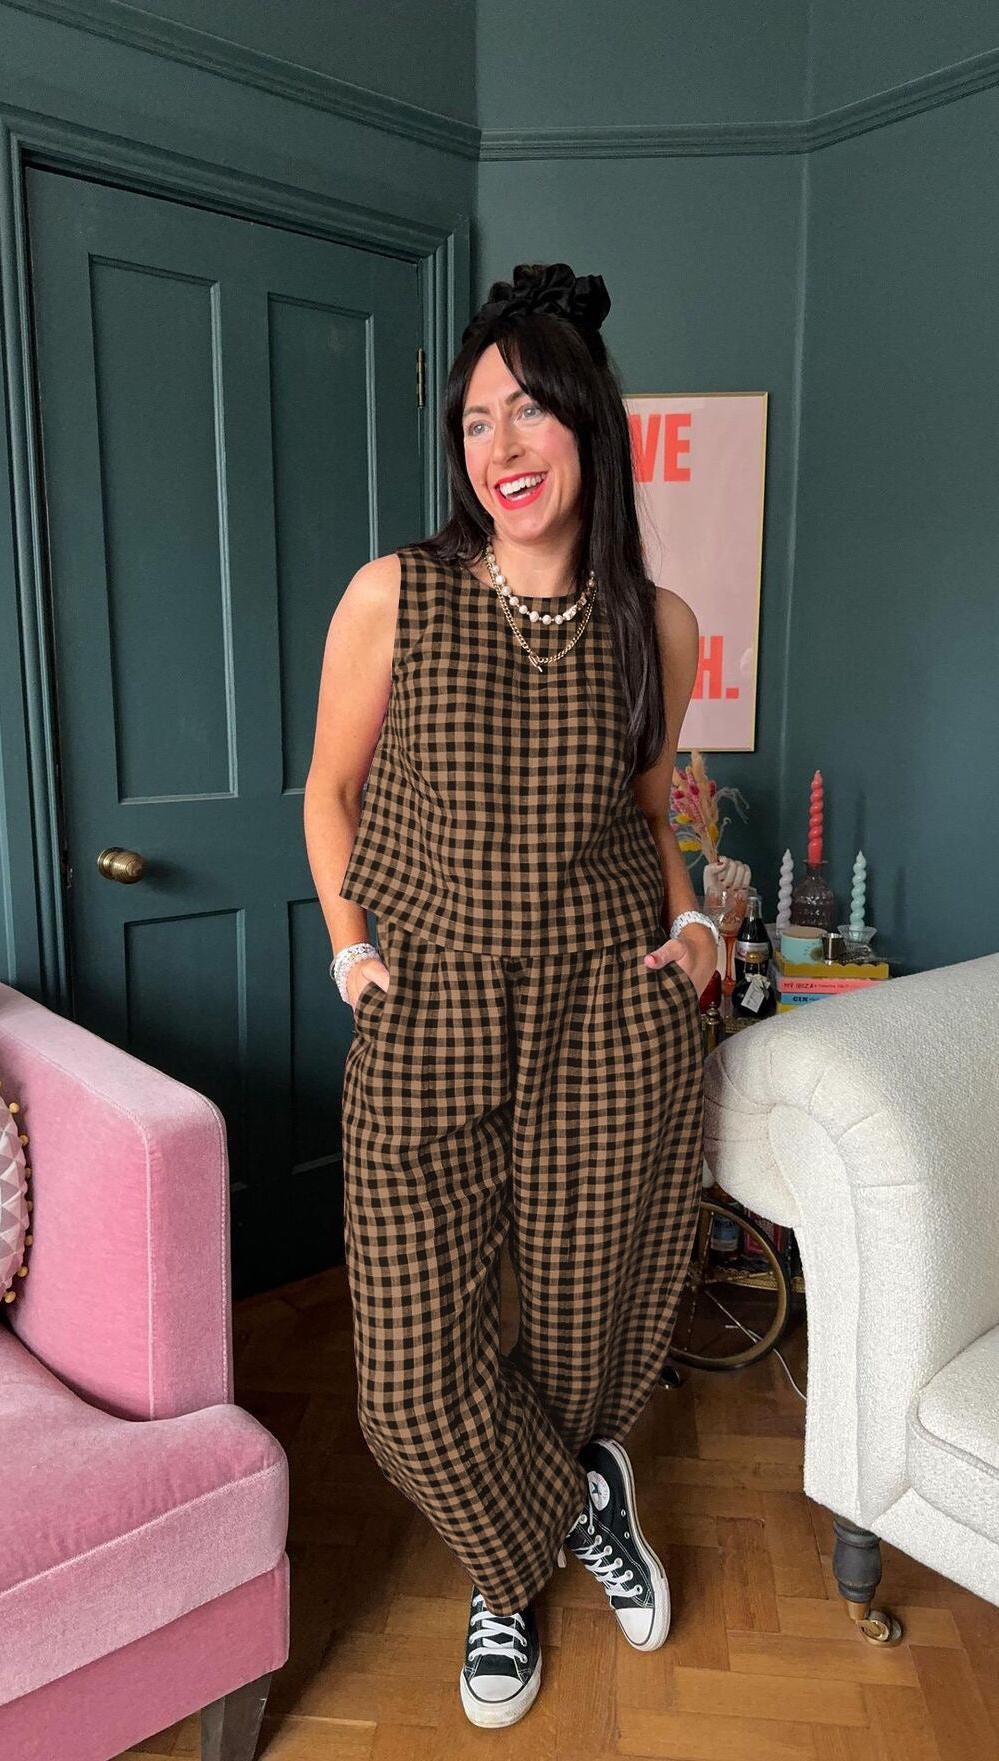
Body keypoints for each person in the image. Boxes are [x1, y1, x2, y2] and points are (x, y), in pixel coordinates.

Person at [303, 261, 719, 1729]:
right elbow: (329, 791)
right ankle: (572, 1506)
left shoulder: (657, 624)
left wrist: (694, 922)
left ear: (591, 424)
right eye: (476, 420)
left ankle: (501, 1574)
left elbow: (654, 816)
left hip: (609, 1012)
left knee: (581, 1322)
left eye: (531, 410)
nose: (502, 446)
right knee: (410, 1386)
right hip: (429, 1009)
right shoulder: (396, 595)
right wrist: (351, 947)